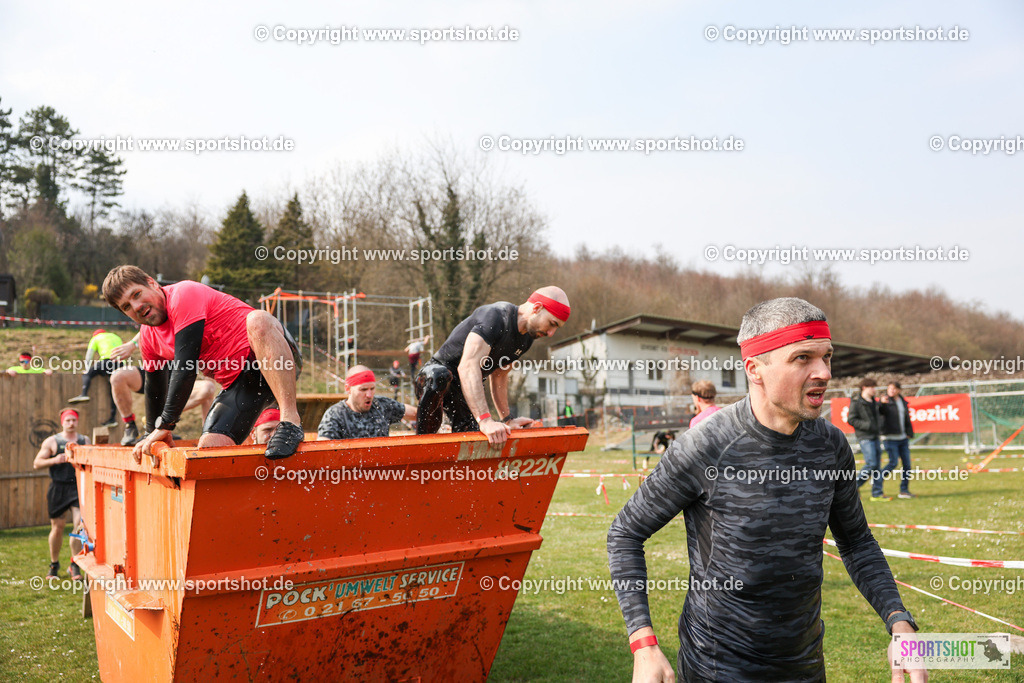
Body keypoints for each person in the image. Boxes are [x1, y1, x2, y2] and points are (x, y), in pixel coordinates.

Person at [607, 297, 923, 682]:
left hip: (804, 665)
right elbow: (625, 533)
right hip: (717, 667)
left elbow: (856, 542)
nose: (824, 372)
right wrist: (643, 643)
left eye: (827, 357)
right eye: (802, 358)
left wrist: (899, 622)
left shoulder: (830, 445)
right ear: (755, 369)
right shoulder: (704, 446)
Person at [101, 265, 305, 461]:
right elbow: (154, 388)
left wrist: (166, 424)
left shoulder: (183, 294)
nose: (136, 306)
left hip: (276, 359)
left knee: (258, 320)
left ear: (152, 283)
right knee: (210, 450)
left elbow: (185, 368)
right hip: (242, 384)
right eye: (126, 307)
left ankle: (290, 422)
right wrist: (151, 433)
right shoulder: (147, 339)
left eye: (137, 294)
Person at [414, 287, 569, 446]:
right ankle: (420, 444)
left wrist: (507, 420)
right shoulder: (496, 316)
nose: (551, 333)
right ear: (537, 308)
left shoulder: (526, 339)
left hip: (463, 391)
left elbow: (500, 376)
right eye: (552, 324)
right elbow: (468, 367)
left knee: (471, 442)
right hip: (433, 378)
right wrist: (485, 420)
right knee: (439, 375)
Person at [33, 409, 89, 580]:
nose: (71, 423)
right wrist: (55, 459)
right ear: (62, 422)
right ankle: (54, 564)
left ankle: (74, 564)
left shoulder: (84, 440)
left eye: (74, 420)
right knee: (57, 528)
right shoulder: (52, 441)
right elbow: (37, 463)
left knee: (79, 525)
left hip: (77, 488)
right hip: (58, 488)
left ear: (77, 422)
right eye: (68, 420)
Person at [110, 364, 218, 445]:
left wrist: (207, 432)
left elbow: (209, 385)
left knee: (208, 387)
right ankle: (130, 426)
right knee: (117, 377)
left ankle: (159, 418)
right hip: (153, 371)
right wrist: (133, 344)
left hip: (179, 378)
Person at [318, 366, 417, 440]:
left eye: (372, 388)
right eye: (363, 389)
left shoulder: (381, 405)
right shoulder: (335, 415)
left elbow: (417, 414)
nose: (369, 395)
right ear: (348, 389)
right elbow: (322, 449)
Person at [67, 329, 125, 426]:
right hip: (120, 364)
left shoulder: (96, 338)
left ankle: (84, 394)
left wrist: (87, 369)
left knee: (88, 374)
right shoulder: (116, 337)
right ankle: (112, 419)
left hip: (107, 361)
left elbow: (89, 355)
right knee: (113, 390)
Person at [849, 378, 888, 501]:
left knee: (877, 466)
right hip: (865, 436)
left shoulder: (874, 401)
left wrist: (883, 404)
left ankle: (877, 493)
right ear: (864, 388)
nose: (874, 390)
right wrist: (867, 425)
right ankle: (853, 487)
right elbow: (851, 419)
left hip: (875, 436)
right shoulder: (856, 402)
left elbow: (882, 414)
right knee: (871, 464)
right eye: (872, 387)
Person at [880, 381, 916, 499]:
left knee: (907, 465)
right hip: (890, 438)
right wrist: (882, 404)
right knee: (893, 463)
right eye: (890, 388)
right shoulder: (885, 401)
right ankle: (877, 479)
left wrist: (909, 433)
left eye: (894, 388)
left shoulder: (902, 401)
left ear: (899, 390)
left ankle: (904, 491)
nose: (891, 390)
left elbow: (906, 418)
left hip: (903, 438)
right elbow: (880, 411)